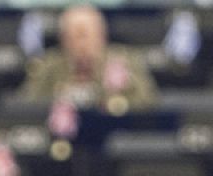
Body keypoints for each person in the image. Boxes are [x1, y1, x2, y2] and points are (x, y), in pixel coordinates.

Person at [19, 5, 158, 112]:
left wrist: (121, 88)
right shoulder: (49, 64)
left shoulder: (125, 60)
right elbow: (29, 104)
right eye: (74, 36)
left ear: (102, 36)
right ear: (63, 40)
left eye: (86, 35)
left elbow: (148, 102)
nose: (82, 44)